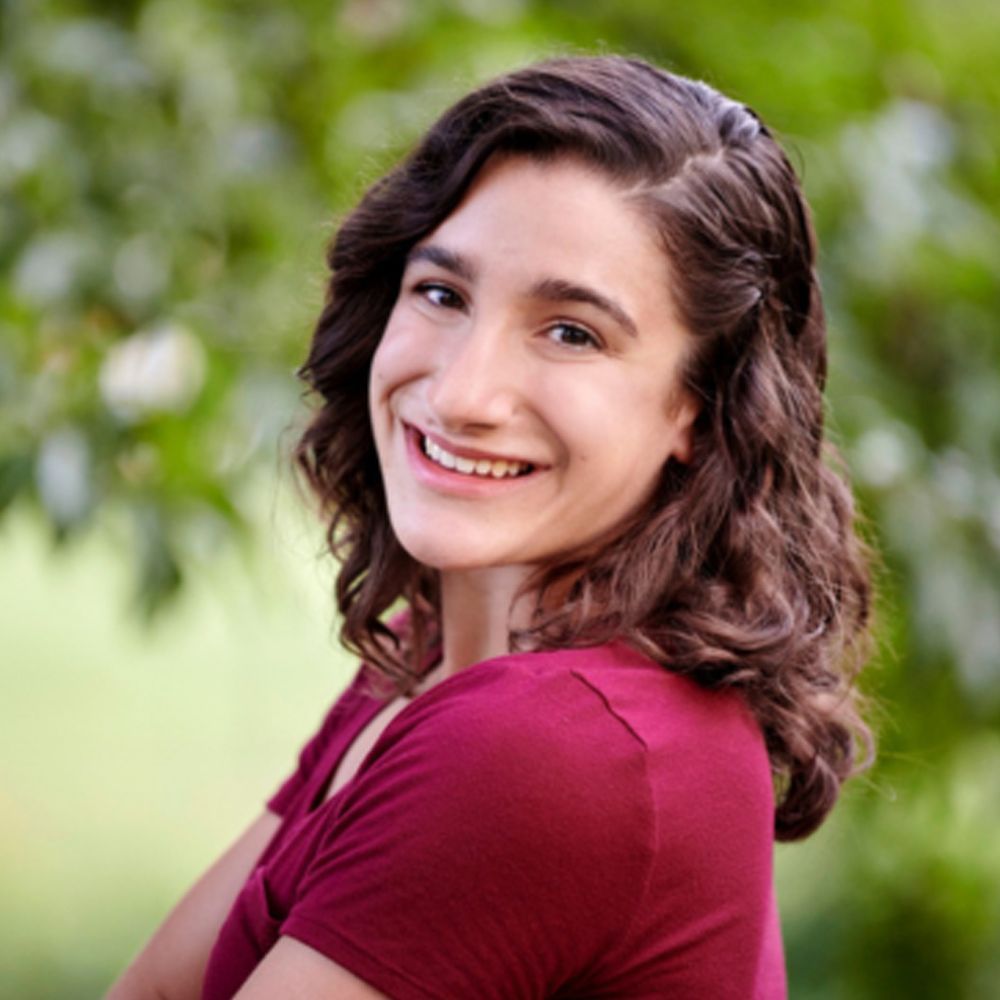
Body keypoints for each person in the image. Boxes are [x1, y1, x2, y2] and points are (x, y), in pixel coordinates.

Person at [107, 54, 873, 999]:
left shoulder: (550, 751)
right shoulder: (429, 649)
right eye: (442, 294)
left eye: (571, 332)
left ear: (701, 406)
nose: (462, 393)